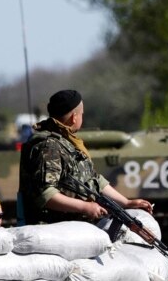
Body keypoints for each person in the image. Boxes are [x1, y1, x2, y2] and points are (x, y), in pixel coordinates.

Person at [18, 89, 154, 225]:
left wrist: (126, 202)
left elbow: (94, 181)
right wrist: (85, 207)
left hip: (72, 225)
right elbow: (46, 195)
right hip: (55, 229)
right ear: (74, 117)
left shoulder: (68, 142)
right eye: (81, 114)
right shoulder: (49, 146)